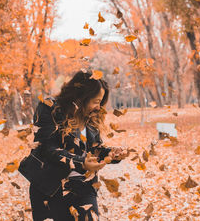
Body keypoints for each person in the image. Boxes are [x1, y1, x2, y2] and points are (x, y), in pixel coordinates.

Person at [28, 70, 129, 221]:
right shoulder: (49, 108)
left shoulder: (90, 116)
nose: (98, 107)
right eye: (96, 101)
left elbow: (94, 149)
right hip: (50, 188)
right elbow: (47, 148)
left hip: (84, 187)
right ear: (81, 97)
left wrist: (111, 154)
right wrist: (82, 163)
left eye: (101, 102)